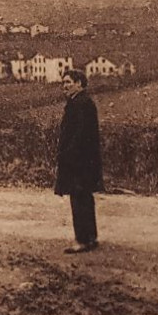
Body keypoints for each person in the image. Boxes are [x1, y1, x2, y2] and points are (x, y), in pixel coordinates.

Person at [55, 68, 104, 254]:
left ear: (79, 84)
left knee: (78, 198)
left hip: (78, 161)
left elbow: (78, 136)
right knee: (85, 198)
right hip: (85, 161)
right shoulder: (83, 102)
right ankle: (90, 237)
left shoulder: (79, 104)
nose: (64, 86)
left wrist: (67, 155)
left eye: (68, 82)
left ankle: (82, 240)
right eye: (63, 83)